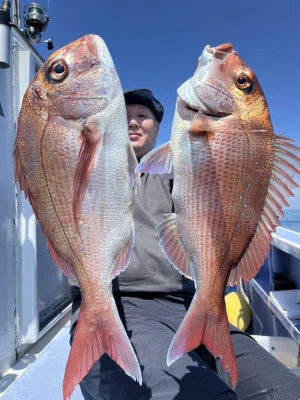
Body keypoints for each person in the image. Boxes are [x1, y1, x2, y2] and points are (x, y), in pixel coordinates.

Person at [70, 89, 300, 400]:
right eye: (124, 118)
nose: (134, 123)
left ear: (158, 128)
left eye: (143, 117)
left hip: (190, 303)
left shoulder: (181, 170)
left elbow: (231, 190)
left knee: (285, 390)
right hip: (119, 307)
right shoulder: (87, 168)